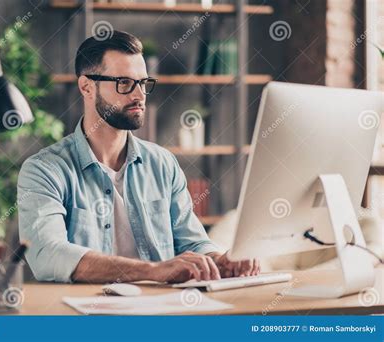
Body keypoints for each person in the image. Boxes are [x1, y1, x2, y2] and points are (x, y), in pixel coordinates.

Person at [18, 30, 260, 283]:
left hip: (160, 311)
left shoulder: (163, 163)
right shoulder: (44, 170)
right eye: (124, 83)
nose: (139, 95)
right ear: (87, 87)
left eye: (143, 83)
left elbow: (192, 241)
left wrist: (218, 259)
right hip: (86, 315)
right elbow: (47, 254)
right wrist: (152, 271)